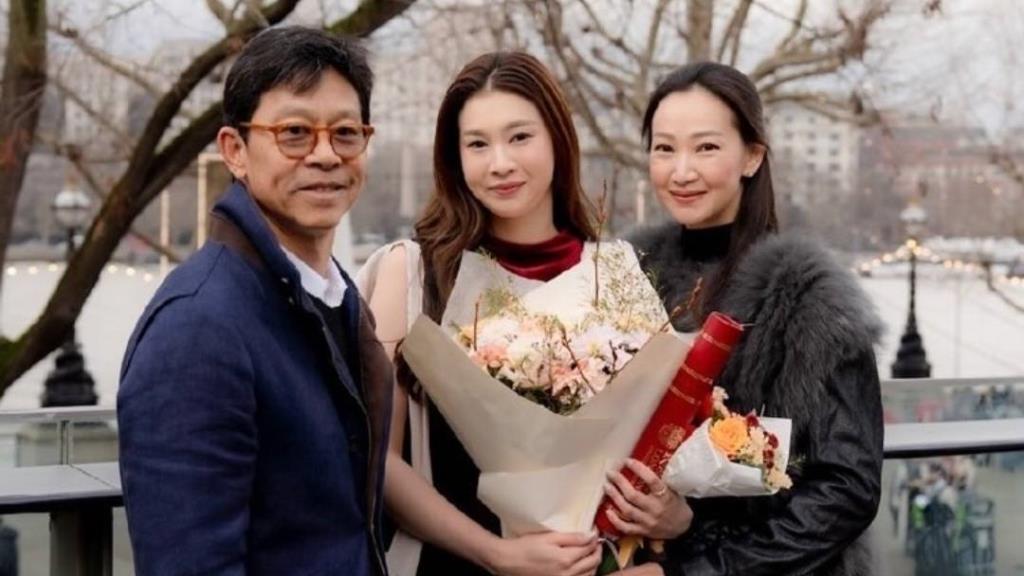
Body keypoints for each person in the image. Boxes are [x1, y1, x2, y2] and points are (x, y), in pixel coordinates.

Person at [118, 26, 391, 575]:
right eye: (294, 133)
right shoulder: (197, 328)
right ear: (235, 151)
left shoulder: (334, 297)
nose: (325, 155)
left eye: (345, 133)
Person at [605, 62, 884, 575]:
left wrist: (693, 547)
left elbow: (846, 490)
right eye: (664, 148)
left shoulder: (807, 296)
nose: (681, 171)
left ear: (752, 156)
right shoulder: (625, 276)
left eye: (706, 147)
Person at [356, 51, 603, 576]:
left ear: (558, 139)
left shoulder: (609, 275)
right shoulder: (413, 273)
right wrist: (498, 554)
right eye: (477, 144)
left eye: (520, 137)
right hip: (449, 565)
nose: (500, 163)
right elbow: (381, 461)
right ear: (454, 157)